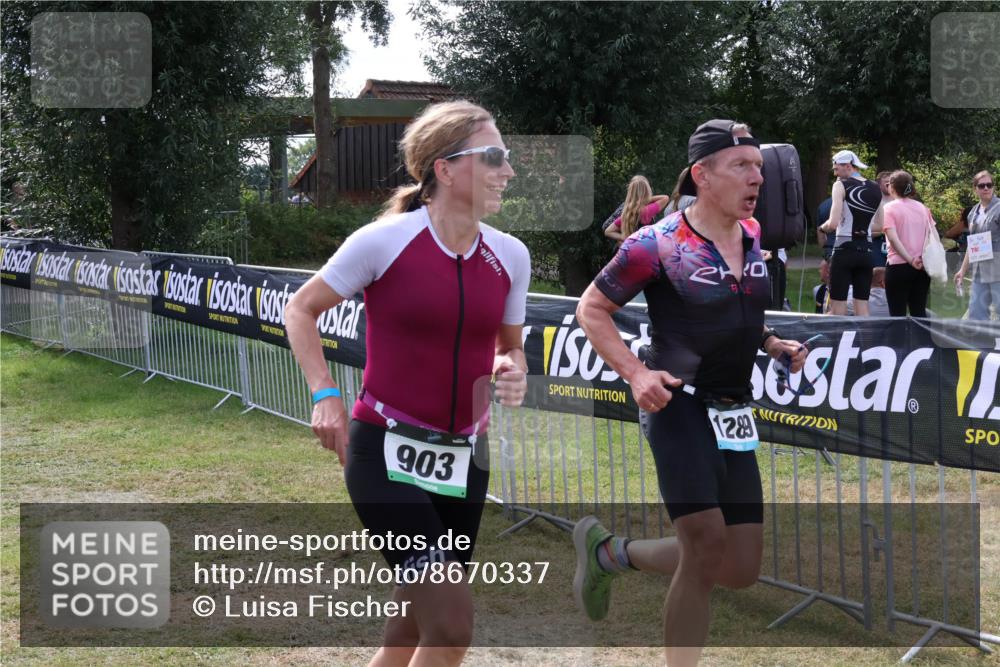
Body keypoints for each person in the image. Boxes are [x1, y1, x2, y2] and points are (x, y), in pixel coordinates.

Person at [284, 100, 530, 666]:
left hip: (465, 459)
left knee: (412, 628)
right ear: (444, 169)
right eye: (493, 157)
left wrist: (509, 367)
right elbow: (301, 310)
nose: (508, 171)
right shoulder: (383, 241)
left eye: (506, 157)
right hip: (384, 451)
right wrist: (325, 396)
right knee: (449, 627)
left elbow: (507, 346)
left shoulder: (511, 255)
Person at [573, 119, 808, 667]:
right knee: (704, 546)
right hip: (677, 401)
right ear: (702, 175)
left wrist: (772, 342)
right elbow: (591, 308)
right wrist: (636, 374)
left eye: (759, 166)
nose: (757, 178)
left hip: (733, 407)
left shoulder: (751, 236)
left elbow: (737, 311)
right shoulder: (654, 243)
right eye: (742, 166)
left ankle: (611, 554)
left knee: (741, 567)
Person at [818, 150, 882, 317]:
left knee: (838, 309)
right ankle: (867, 343)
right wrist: (863, 231)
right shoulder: (876, 187)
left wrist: (822, 228)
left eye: (836, 169)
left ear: (848, 166)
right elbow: (881, 225)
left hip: (844, 251)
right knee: (862, 309)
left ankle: (839, 342)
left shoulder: (840, 185)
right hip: (867, 252)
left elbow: (833, 222)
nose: (834, 173)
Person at [878, 170, 934, 317]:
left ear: (892, 187)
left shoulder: (889, 208)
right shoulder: (923, 208)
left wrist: (910, 259)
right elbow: (930, 234)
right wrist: (922, 256)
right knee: (919, 312)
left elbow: (893, 238)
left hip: (898, 266)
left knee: (897, 314)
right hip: (922, 266)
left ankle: (898, 341)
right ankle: (923, 340)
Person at [955, 170, 1000, 320]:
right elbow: (972, 244)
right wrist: (962, 270)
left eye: (989, 185)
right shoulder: (972, 213)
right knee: (976, 313)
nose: (986, 188)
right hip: (979, 271)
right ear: (975, 189)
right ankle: (983, 343)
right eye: (982, 186)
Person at [604, 175, 670, 243]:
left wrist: (624, 237)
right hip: (647, 249)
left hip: (631, 249)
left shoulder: (627, 214)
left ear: (630, 193)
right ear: (647, 190)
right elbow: (665, 198)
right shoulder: (647, 211)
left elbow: (608, 231)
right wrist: (646, 199)